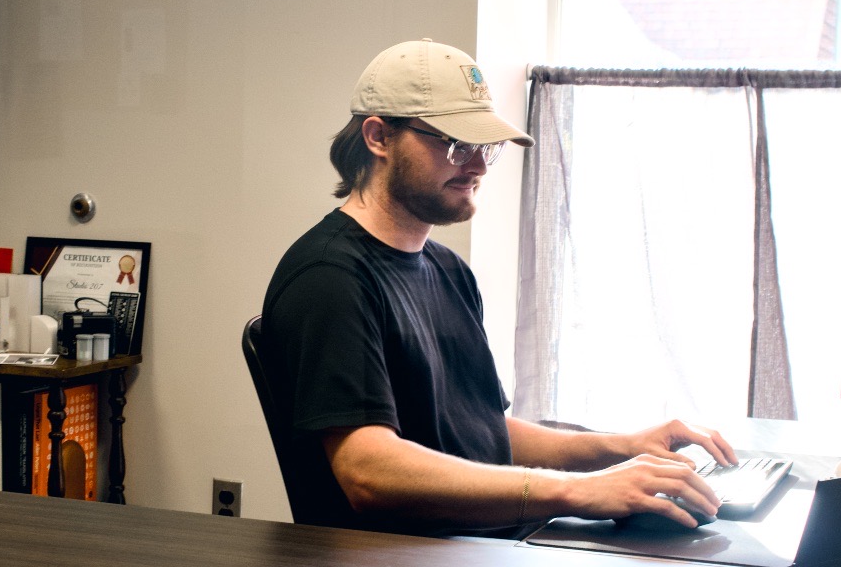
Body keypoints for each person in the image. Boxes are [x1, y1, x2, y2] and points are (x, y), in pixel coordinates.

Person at [260, 38, 737, 537]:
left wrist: (623, 449)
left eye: (485, 147)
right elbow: (367, 471)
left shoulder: (448, 270)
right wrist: (575, 491)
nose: (479, 166)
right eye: (456, 144)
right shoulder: (330, 279)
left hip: (480, 546)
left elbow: (483, 431)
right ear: (378, 137)